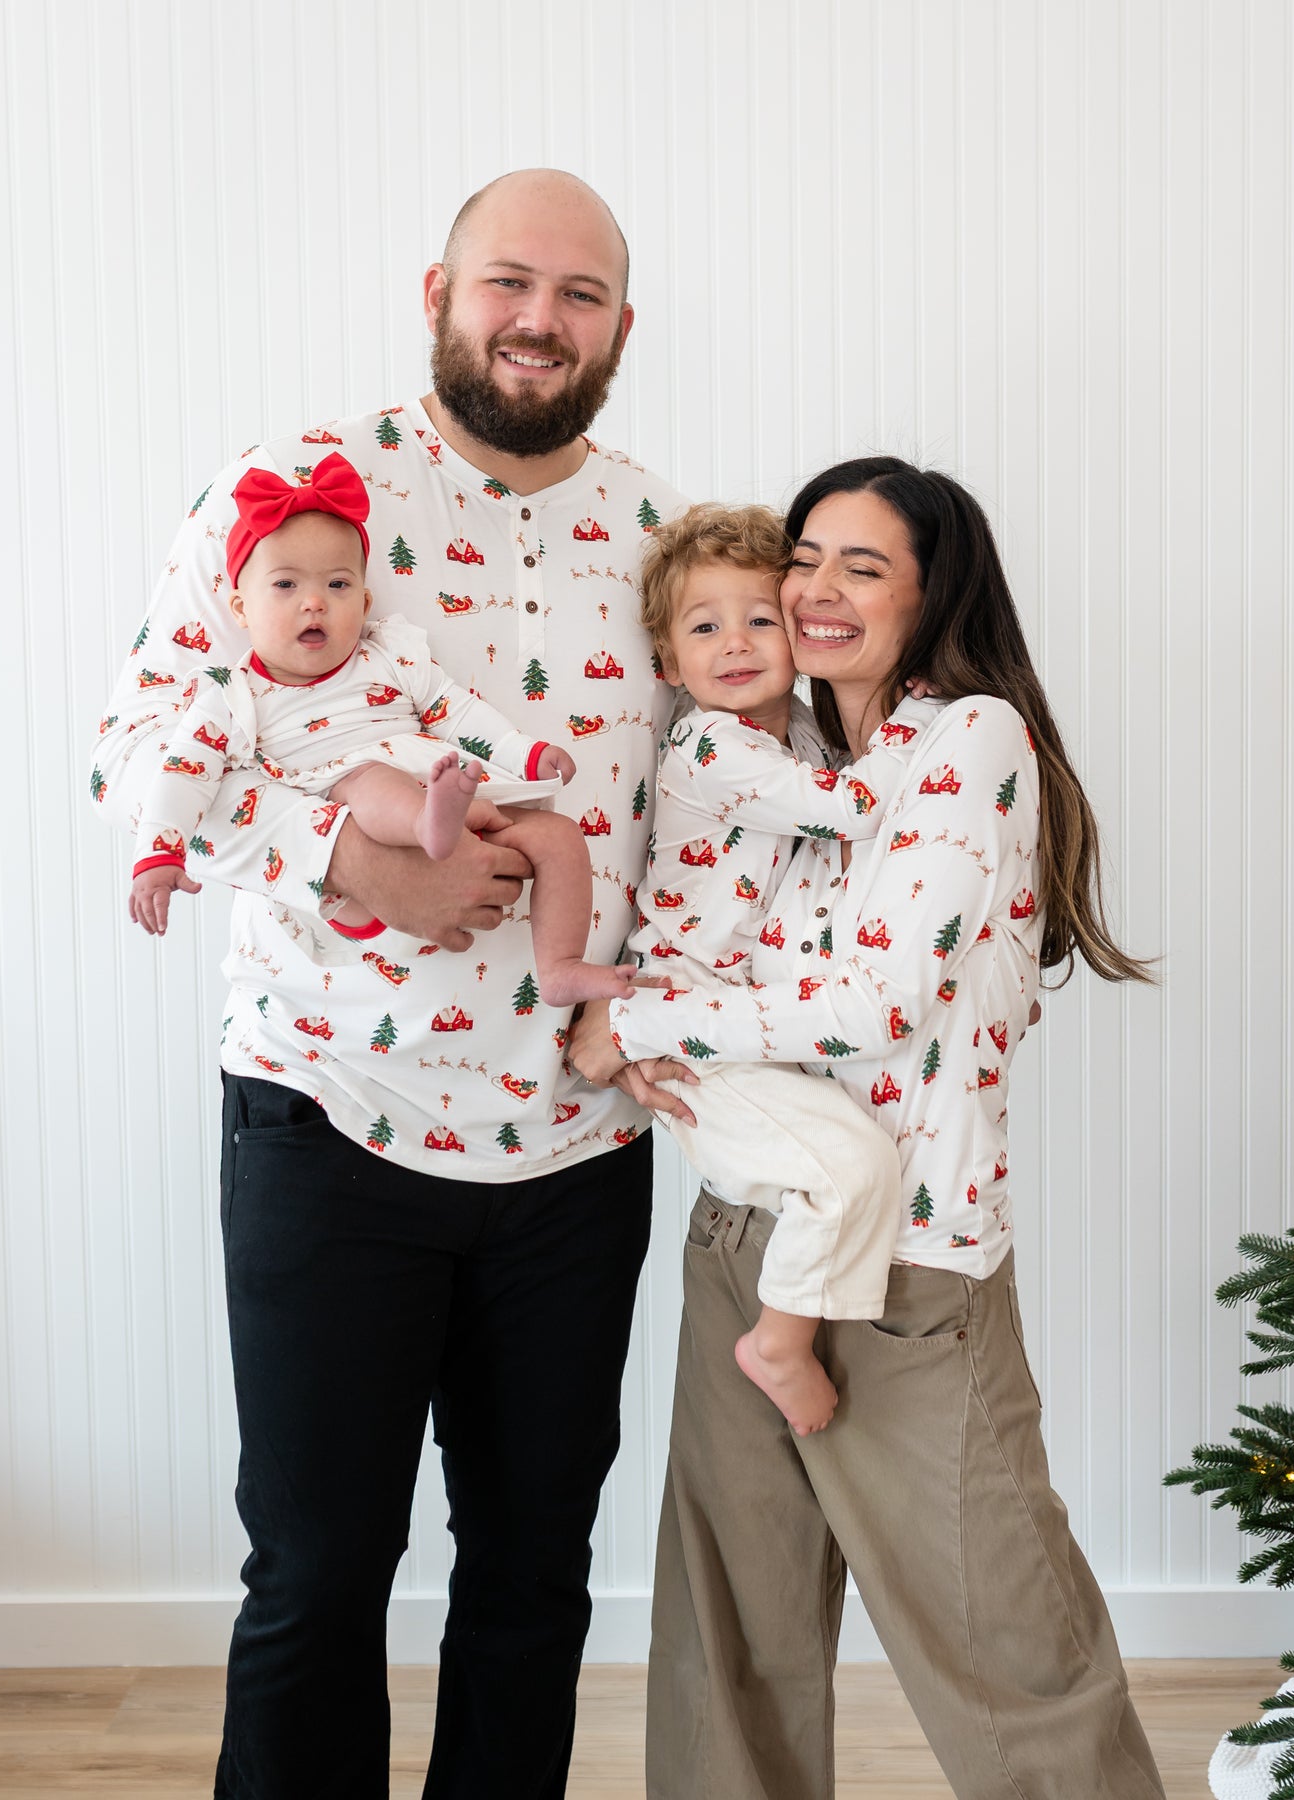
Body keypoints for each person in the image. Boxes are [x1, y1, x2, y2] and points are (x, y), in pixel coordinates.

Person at [90, 170, 693, 1798]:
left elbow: (706, 803)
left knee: (531, 1589)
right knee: (312, 1581)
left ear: (620, 327)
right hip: (326, 1118)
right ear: (439, 287)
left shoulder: (661, 534)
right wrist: (348, 863)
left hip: (577, 1151)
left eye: (578, 295)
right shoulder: (299, 495)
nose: (537, 320)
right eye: (510, 281)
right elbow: (141, 755)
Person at [571, 457, 1167, 1798]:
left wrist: (649, 1024)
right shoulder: (788, 761)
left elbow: (877, 1002)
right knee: (731, 1654)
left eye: (865, 566)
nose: (819, 589)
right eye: (808, 558)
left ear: (931, 593)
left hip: (911, 1265)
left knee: (1007, 1654)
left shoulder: (970, 742)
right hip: (751, 1238)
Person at [632, 501, 938, 1434]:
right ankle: (777, 1340)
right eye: (705, 626)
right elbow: (849, 811)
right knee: (845, 1172)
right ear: (667, 662)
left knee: (854, 1161)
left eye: (759, 619)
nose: (734, 644)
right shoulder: (712, 745)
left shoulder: (799, 735)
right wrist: (918, 723)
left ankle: (787, 1327)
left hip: (753, 1023)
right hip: (693, 1027)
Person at [129, 452, 633, 1010]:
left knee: (558, 836)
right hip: (352, 793)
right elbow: (182, 774)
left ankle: (560, 966)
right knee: (374, 781)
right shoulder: (230, 694)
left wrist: (525, 752)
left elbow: (455, 709)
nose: (314, 601)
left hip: (446, 783)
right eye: (286, 584)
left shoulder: (388, 656)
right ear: (240, 608)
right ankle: (428, 823)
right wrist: (159, 852)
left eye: (338, 584)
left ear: (365, 603)